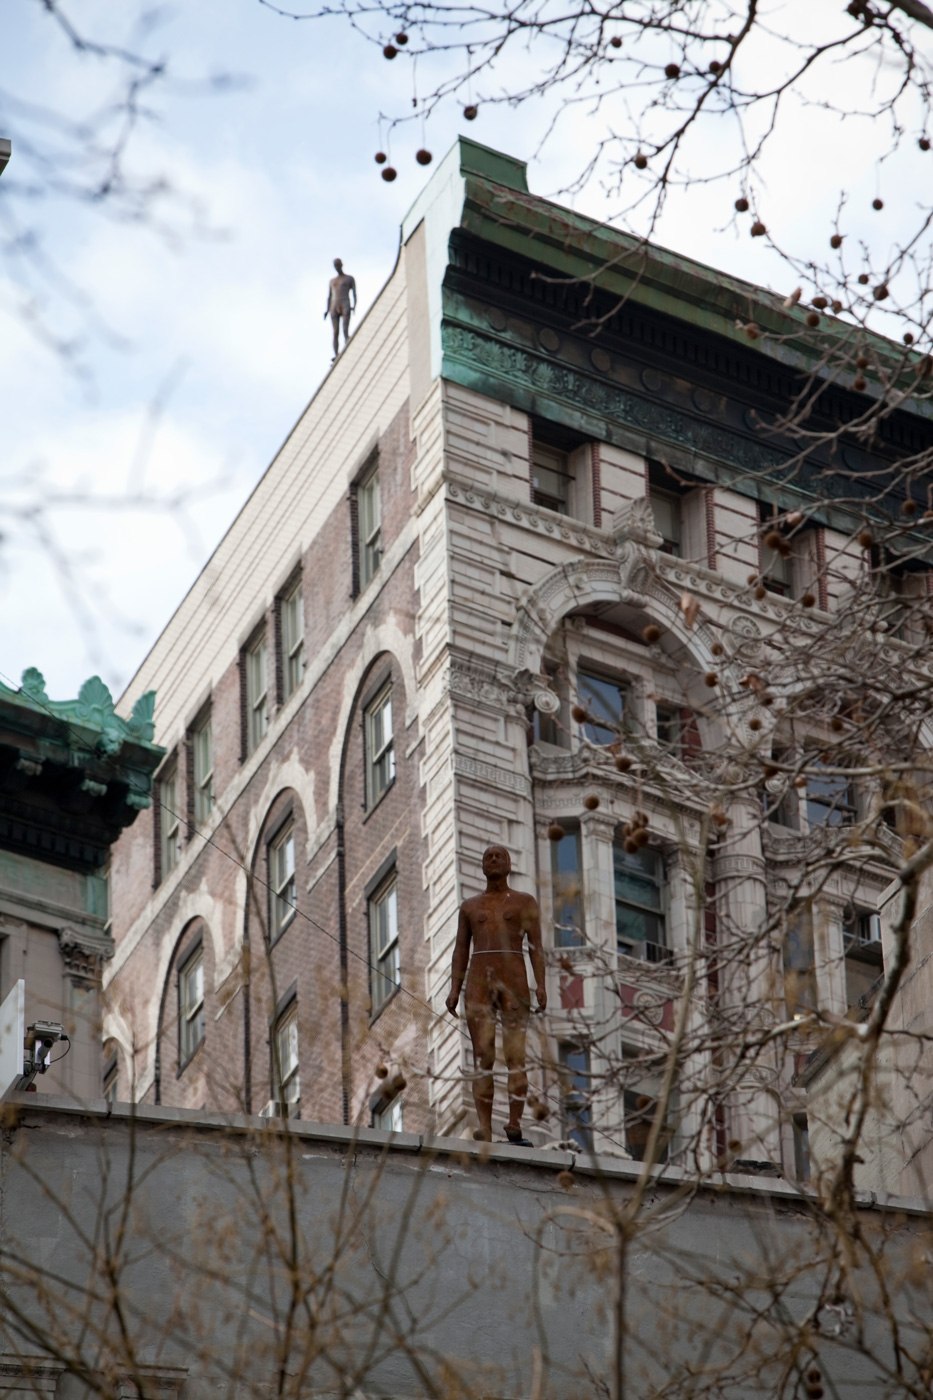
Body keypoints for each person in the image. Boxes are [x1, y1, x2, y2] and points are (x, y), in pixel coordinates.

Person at [446, 845, 547, 1144]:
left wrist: (540, 984)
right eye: (487, 856)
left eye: (498, 856)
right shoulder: (470, 907)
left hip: (513, 979)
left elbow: (536, 947)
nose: (492, 860)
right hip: (478, 980)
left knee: (515, 1055)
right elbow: (461, 949)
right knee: (483, 1058)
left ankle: (515, 1122)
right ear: (481, 866)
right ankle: (485, 1127)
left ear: (509, 864)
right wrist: (454, 988)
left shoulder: (524, 902)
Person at [325, 258, 356, 358]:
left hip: (345, 302)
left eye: (338, 265)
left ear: (341, 265)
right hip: (334, 305)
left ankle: (348, 346)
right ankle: (336, 354)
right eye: (335, 265)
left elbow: (354, 293)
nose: (337, 267)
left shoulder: (349, 278)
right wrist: (327, 309)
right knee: (335, 332)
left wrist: (354, 305)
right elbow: (329, 296)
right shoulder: (332, 281)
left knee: (345, 329)